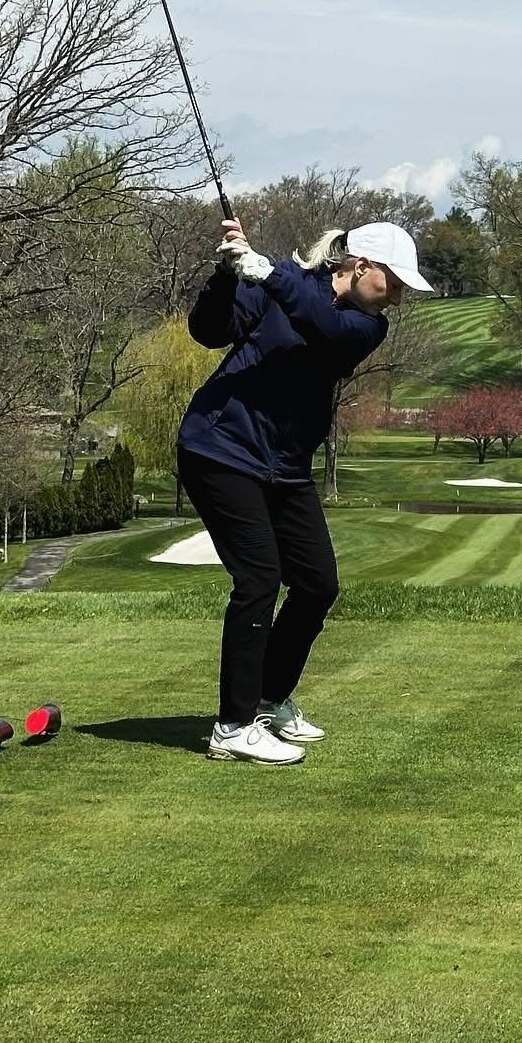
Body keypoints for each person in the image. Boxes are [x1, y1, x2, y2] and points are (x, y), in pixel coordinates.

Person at [177, 217, 432, 765]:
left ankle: (268, 699)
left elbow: (323, 327)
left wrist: (265, 272)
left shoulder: (364, 327)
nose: (399, 296)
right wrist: (227, 274)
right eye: (394, 282)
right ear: (360, 266)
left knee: (317, 584)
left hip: (284, 464)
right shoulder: (280, 282)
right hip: (219, 449)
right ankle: (233, 725)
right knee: (259, 578)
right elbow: (209, 330)